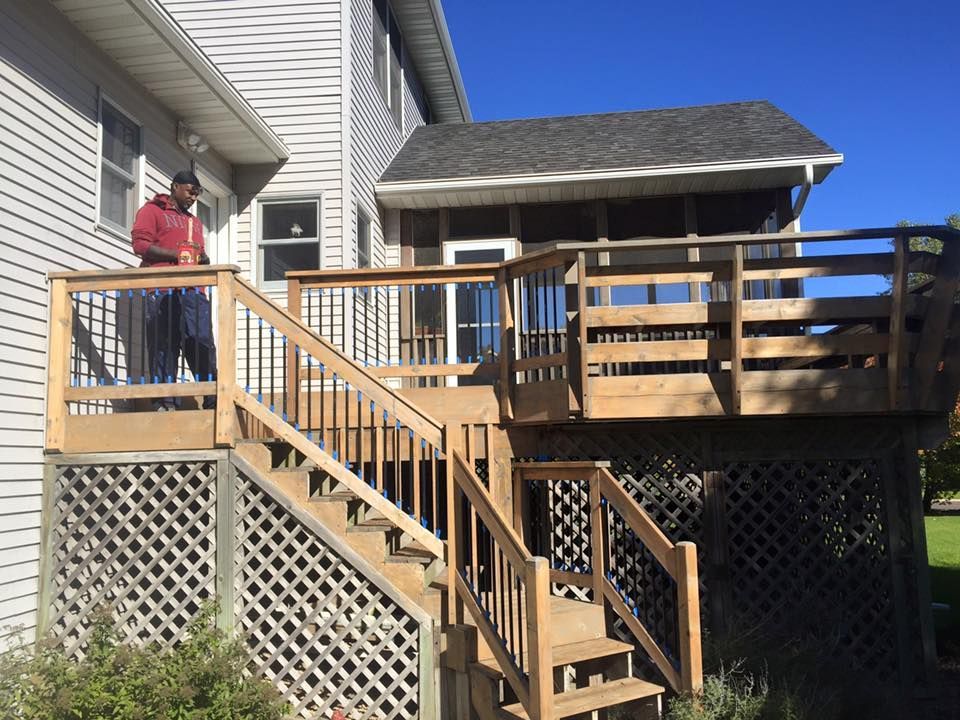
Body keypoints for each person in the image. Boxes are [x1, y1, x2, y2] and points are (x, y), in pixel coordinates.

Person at [131, 170, 217, 411]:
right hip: (162, 289)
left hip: (194, 291)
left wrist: (202, 260)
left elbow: (197, 255)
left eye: (198, 193)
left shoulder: (195, 222)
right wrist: (177, 256)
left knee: (201, 342)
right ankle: (165, 401)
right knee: (164, 344)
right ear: (175, 186)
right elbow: (140, 245)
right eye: (191, 191)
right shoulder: (152, 210)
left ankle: (213, 398)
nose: (194, 197)